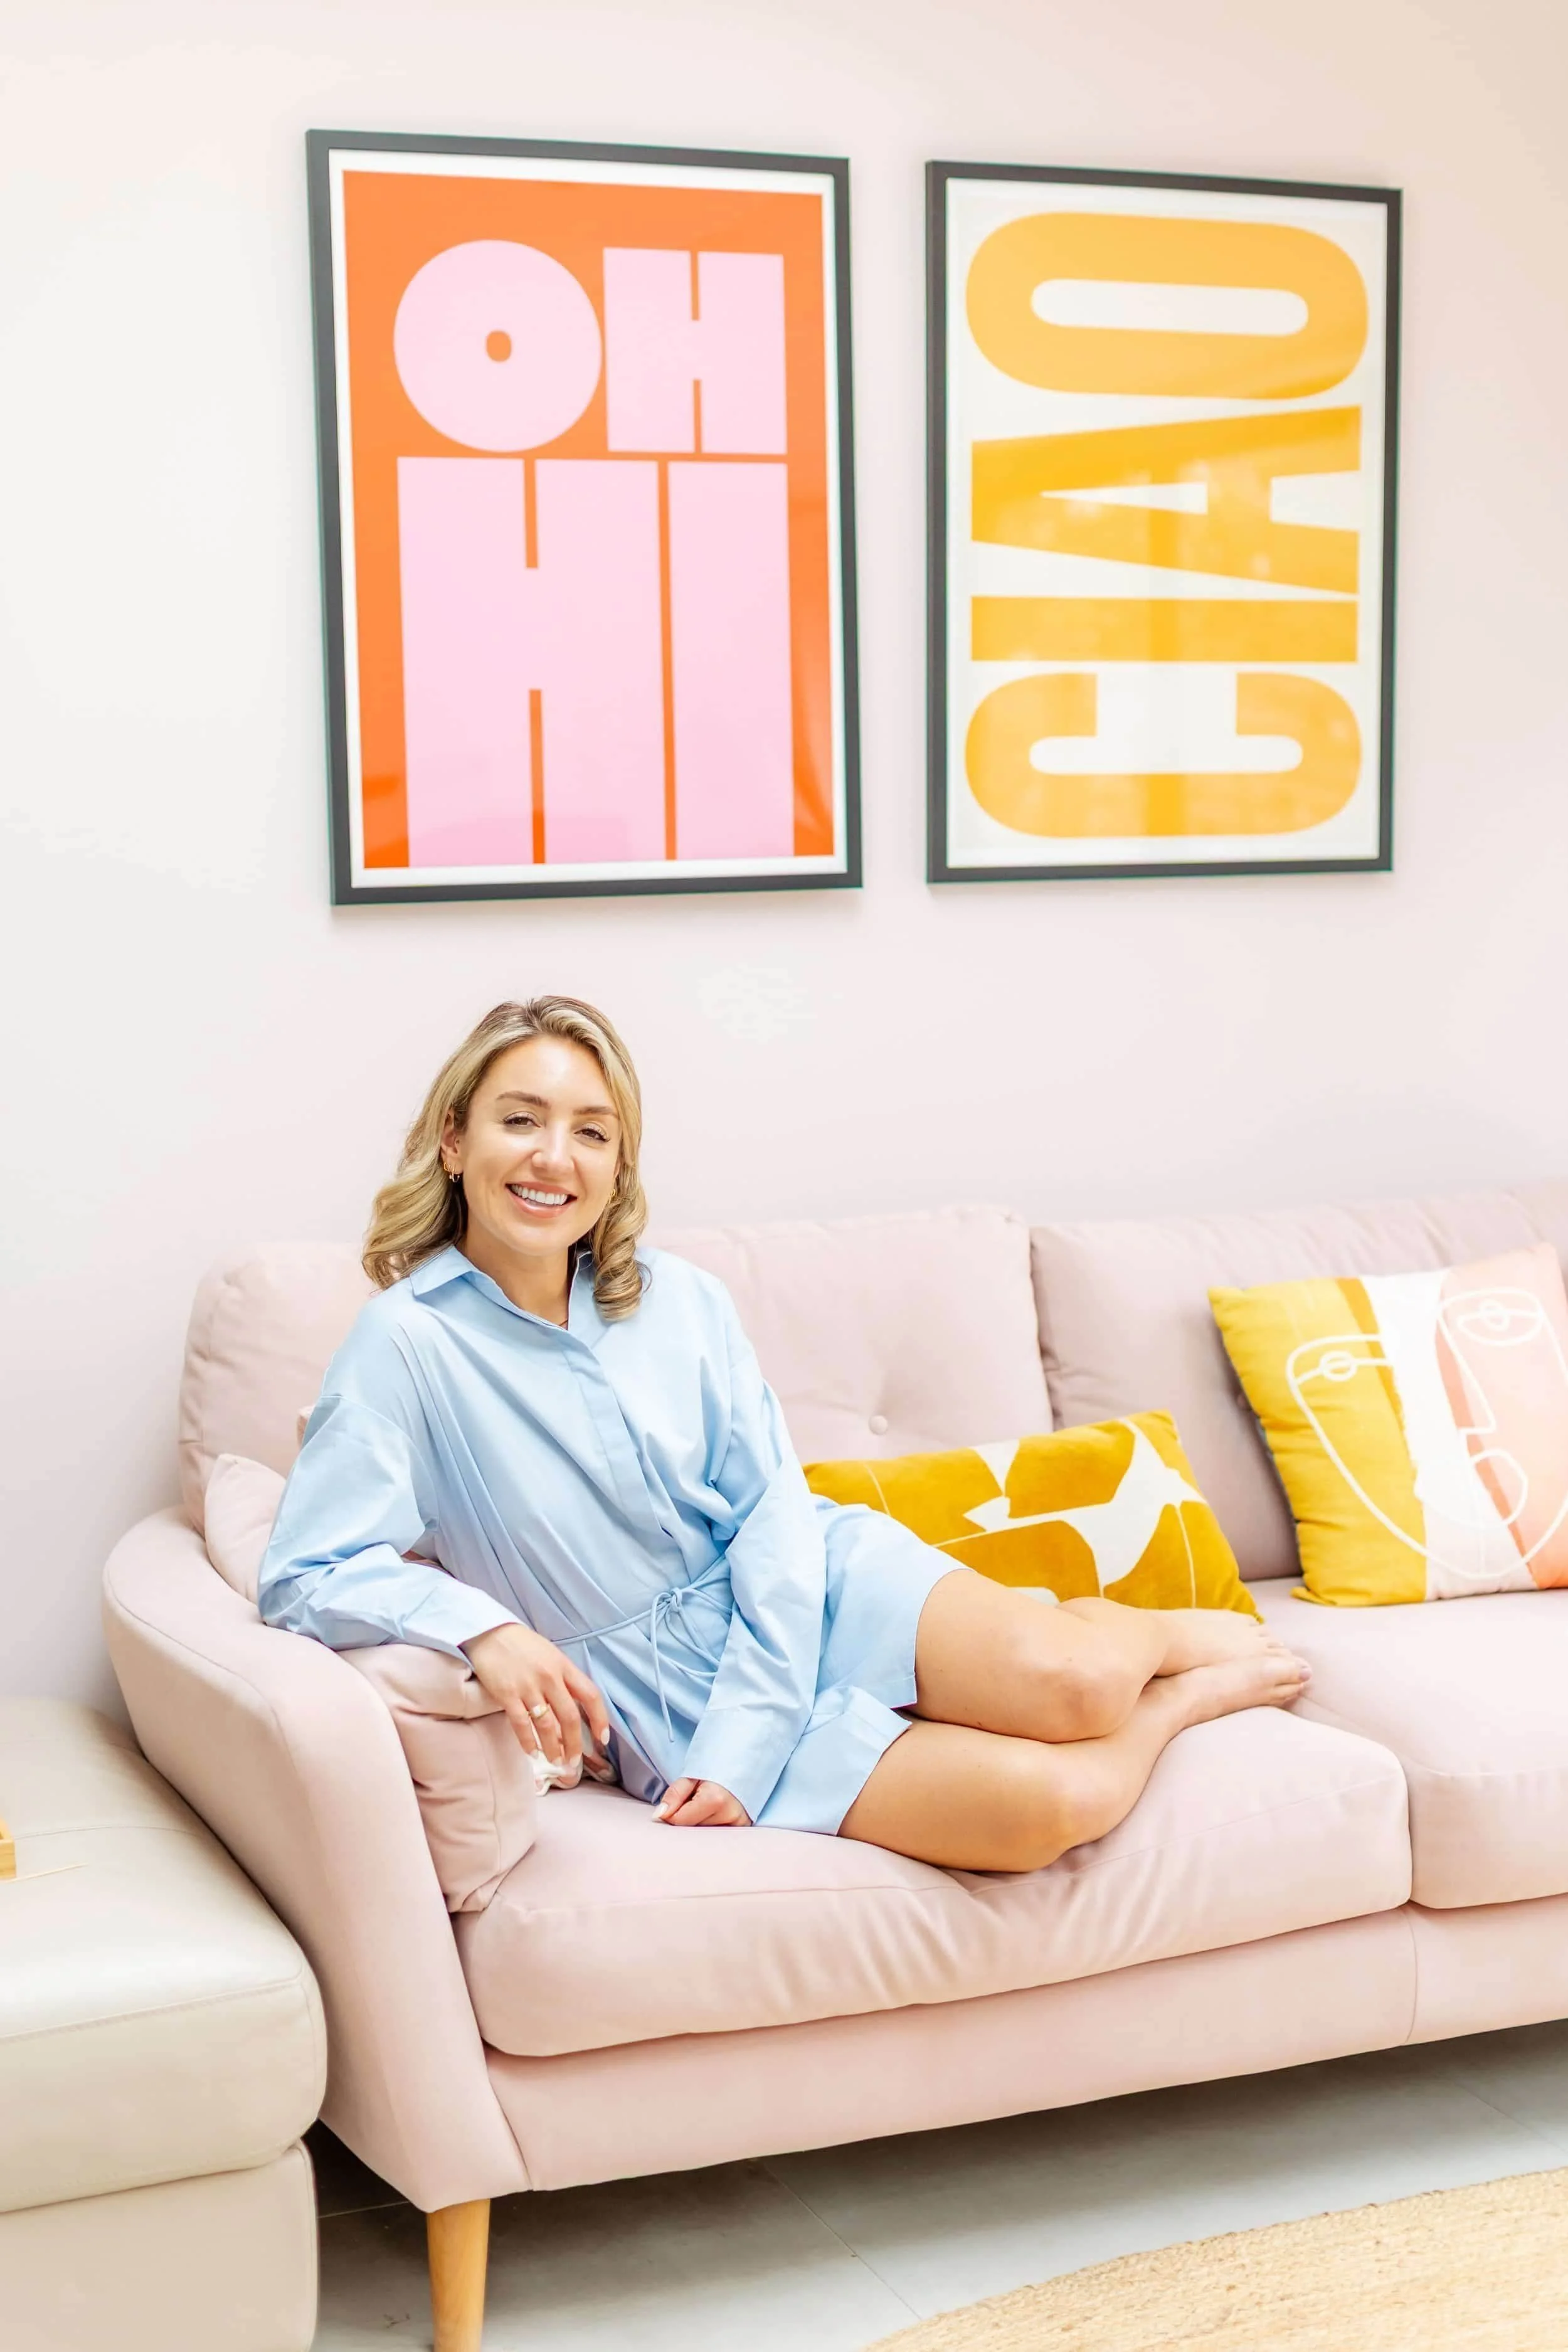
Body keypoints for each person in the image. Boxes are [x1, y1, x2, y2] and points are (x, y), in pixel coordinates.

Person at [259, 997, 1310, 1872]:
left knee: (1075, 1687)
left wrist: (758, 1712)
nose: (552, 1157)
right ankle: (1185, 1699)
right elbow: (305, 1571)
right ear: (455, 1140)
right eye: (519, 1119)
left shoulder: (678, 1299)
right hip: (661, 1697)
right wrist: (483, 1627)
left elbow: (771, 1511)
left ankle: (1144, 1637)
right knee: (1040, 1805)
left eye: (591, 1129)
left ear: (619, 1163)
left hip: (813, 1582)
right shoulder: (403, 1345)